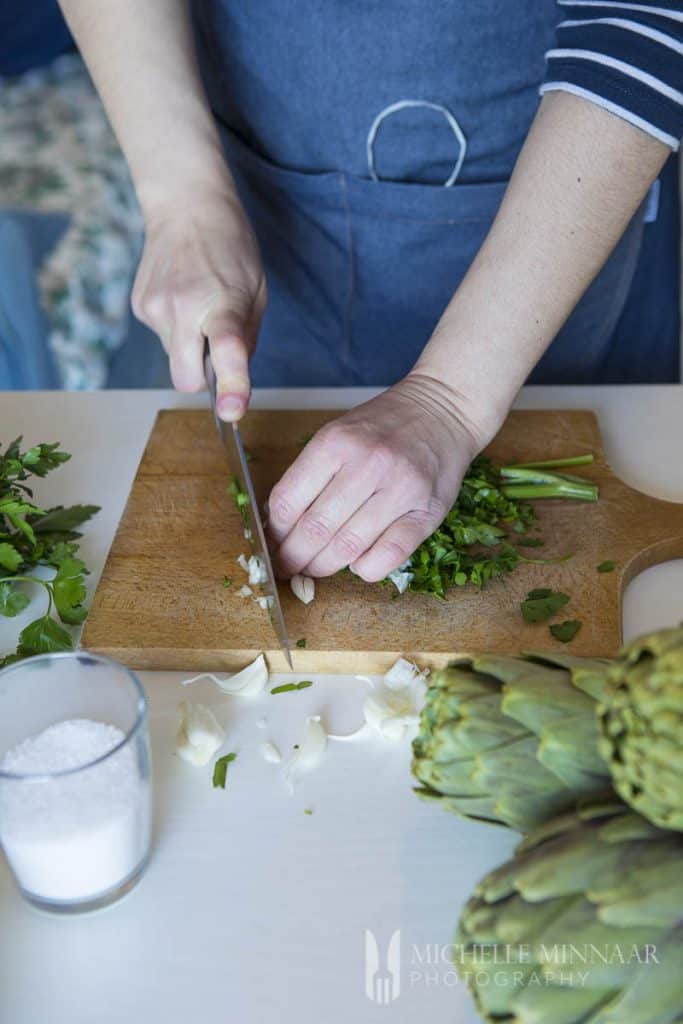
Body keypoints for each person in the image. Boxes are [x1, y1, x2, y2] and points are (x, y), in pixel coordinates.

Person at [57, 1, 682, 585]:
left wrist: (451, 402)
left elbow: (649, 16)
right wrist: (183, 199)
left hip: (557, 187)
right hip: (266, 165)